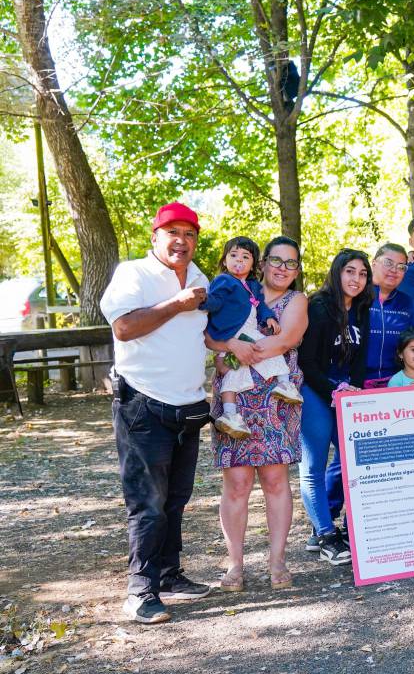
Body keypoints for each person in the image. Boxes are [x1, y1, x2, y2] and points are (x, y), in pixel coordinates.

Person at [100, 201, 213, 624]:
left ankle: (168, 576)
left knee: (177, 499)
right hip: (142, 404)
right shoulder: (133, 273)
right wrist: (176, 304)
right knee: (147, 501)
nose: (181, 241)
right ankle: (140, 590)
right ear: (156, 236)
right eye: (173, 232)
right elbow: (124, 327)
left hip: (188, 405)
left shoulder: (200, 277)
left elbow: (210, 333)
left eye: (189, 234)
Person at [206, 236, 308, 592]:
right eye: (275, 260)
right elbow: (208, 335)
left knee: (275, 479)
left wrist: (232, 349)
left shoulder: (296, 301)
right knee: (236, 482)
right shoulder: (234, 290)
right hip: (235, 392)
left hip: (276, 396)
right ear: (261, 263)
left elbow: (285, 340)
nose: (282, 268)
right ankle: (235, 564)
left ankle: (277, 560)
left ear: (297, 271)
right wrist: (228, 347)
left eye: (290, 263)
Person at [310, 242, 414, 552]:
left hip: (389, 383)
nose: (394, 271)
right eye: (389, 263)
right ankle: (326, 520)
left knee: (373, 459)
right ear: (375, 263)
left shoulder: (406, 302)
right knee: (340, 462)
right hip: (348, 385)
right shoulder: (355, 300)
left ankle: (365, 524)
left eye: (402, 267)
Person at [297, 249, 371, 566]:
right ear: (337, 273)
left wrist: (352, 388)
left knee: (350, 458)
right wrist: (333, 390)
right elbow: (307, 363)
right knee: (312, 466)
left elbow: (360, 359)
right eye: (350, 271)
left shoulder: (363, 310)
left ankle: (333, 521)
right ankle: (325, 534)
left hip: (346, 392)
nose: (356, 279)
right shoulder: (318, 307)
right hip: (316, 390)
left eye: (362, 273)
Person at [203, 236, 301, 439]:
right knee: (231, 374)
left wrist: (269, 318)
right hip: (233, 330)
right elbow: (215, 301)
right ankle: (230, 414)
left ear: (254, 263)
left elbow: (261, 306)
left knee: (235, 371)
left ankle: (284, 384)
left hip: (248, 333)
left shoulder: (253, 286)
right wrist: (203, 302)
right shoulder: (223, 280)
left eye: (245, 257)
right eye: (233, 255)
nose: (239, 260)